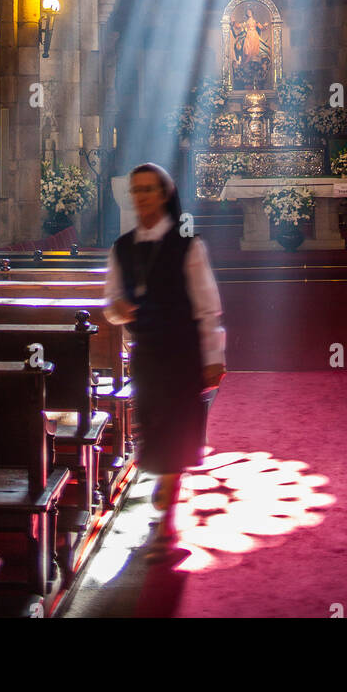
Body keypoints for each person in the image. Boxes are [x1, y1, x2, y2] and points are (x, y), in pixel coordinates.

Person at [104, 162, 226, 550]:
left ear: (164, 195)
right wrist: (118, 309)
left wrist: (213, 355)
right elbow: (110, 301)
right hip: (147, 354)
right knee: (153, 427)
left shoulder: (188, 244)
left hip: (182, 351)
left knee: (176, 429)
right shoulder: (121, 247)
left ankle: (168, 518)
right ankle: (166, 484)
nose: (140, 197)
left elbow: (207, 306)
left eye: (147, 189)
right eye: (135, 190)